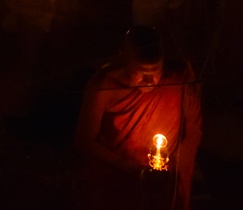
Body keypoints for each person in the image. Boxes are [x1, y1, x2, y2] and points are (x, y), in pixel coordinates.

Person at [75, 25, 202, 210]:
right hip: (118, 178)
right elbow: (84, 140)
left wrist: (174, 166)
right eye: (141, 72)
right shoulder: (104, 84)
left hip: (165, 179)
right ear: (123, 58)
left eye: (155, 71)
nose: (150, 81)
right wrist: (131, 168)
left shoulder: (178, 77)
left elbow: (192, 130)